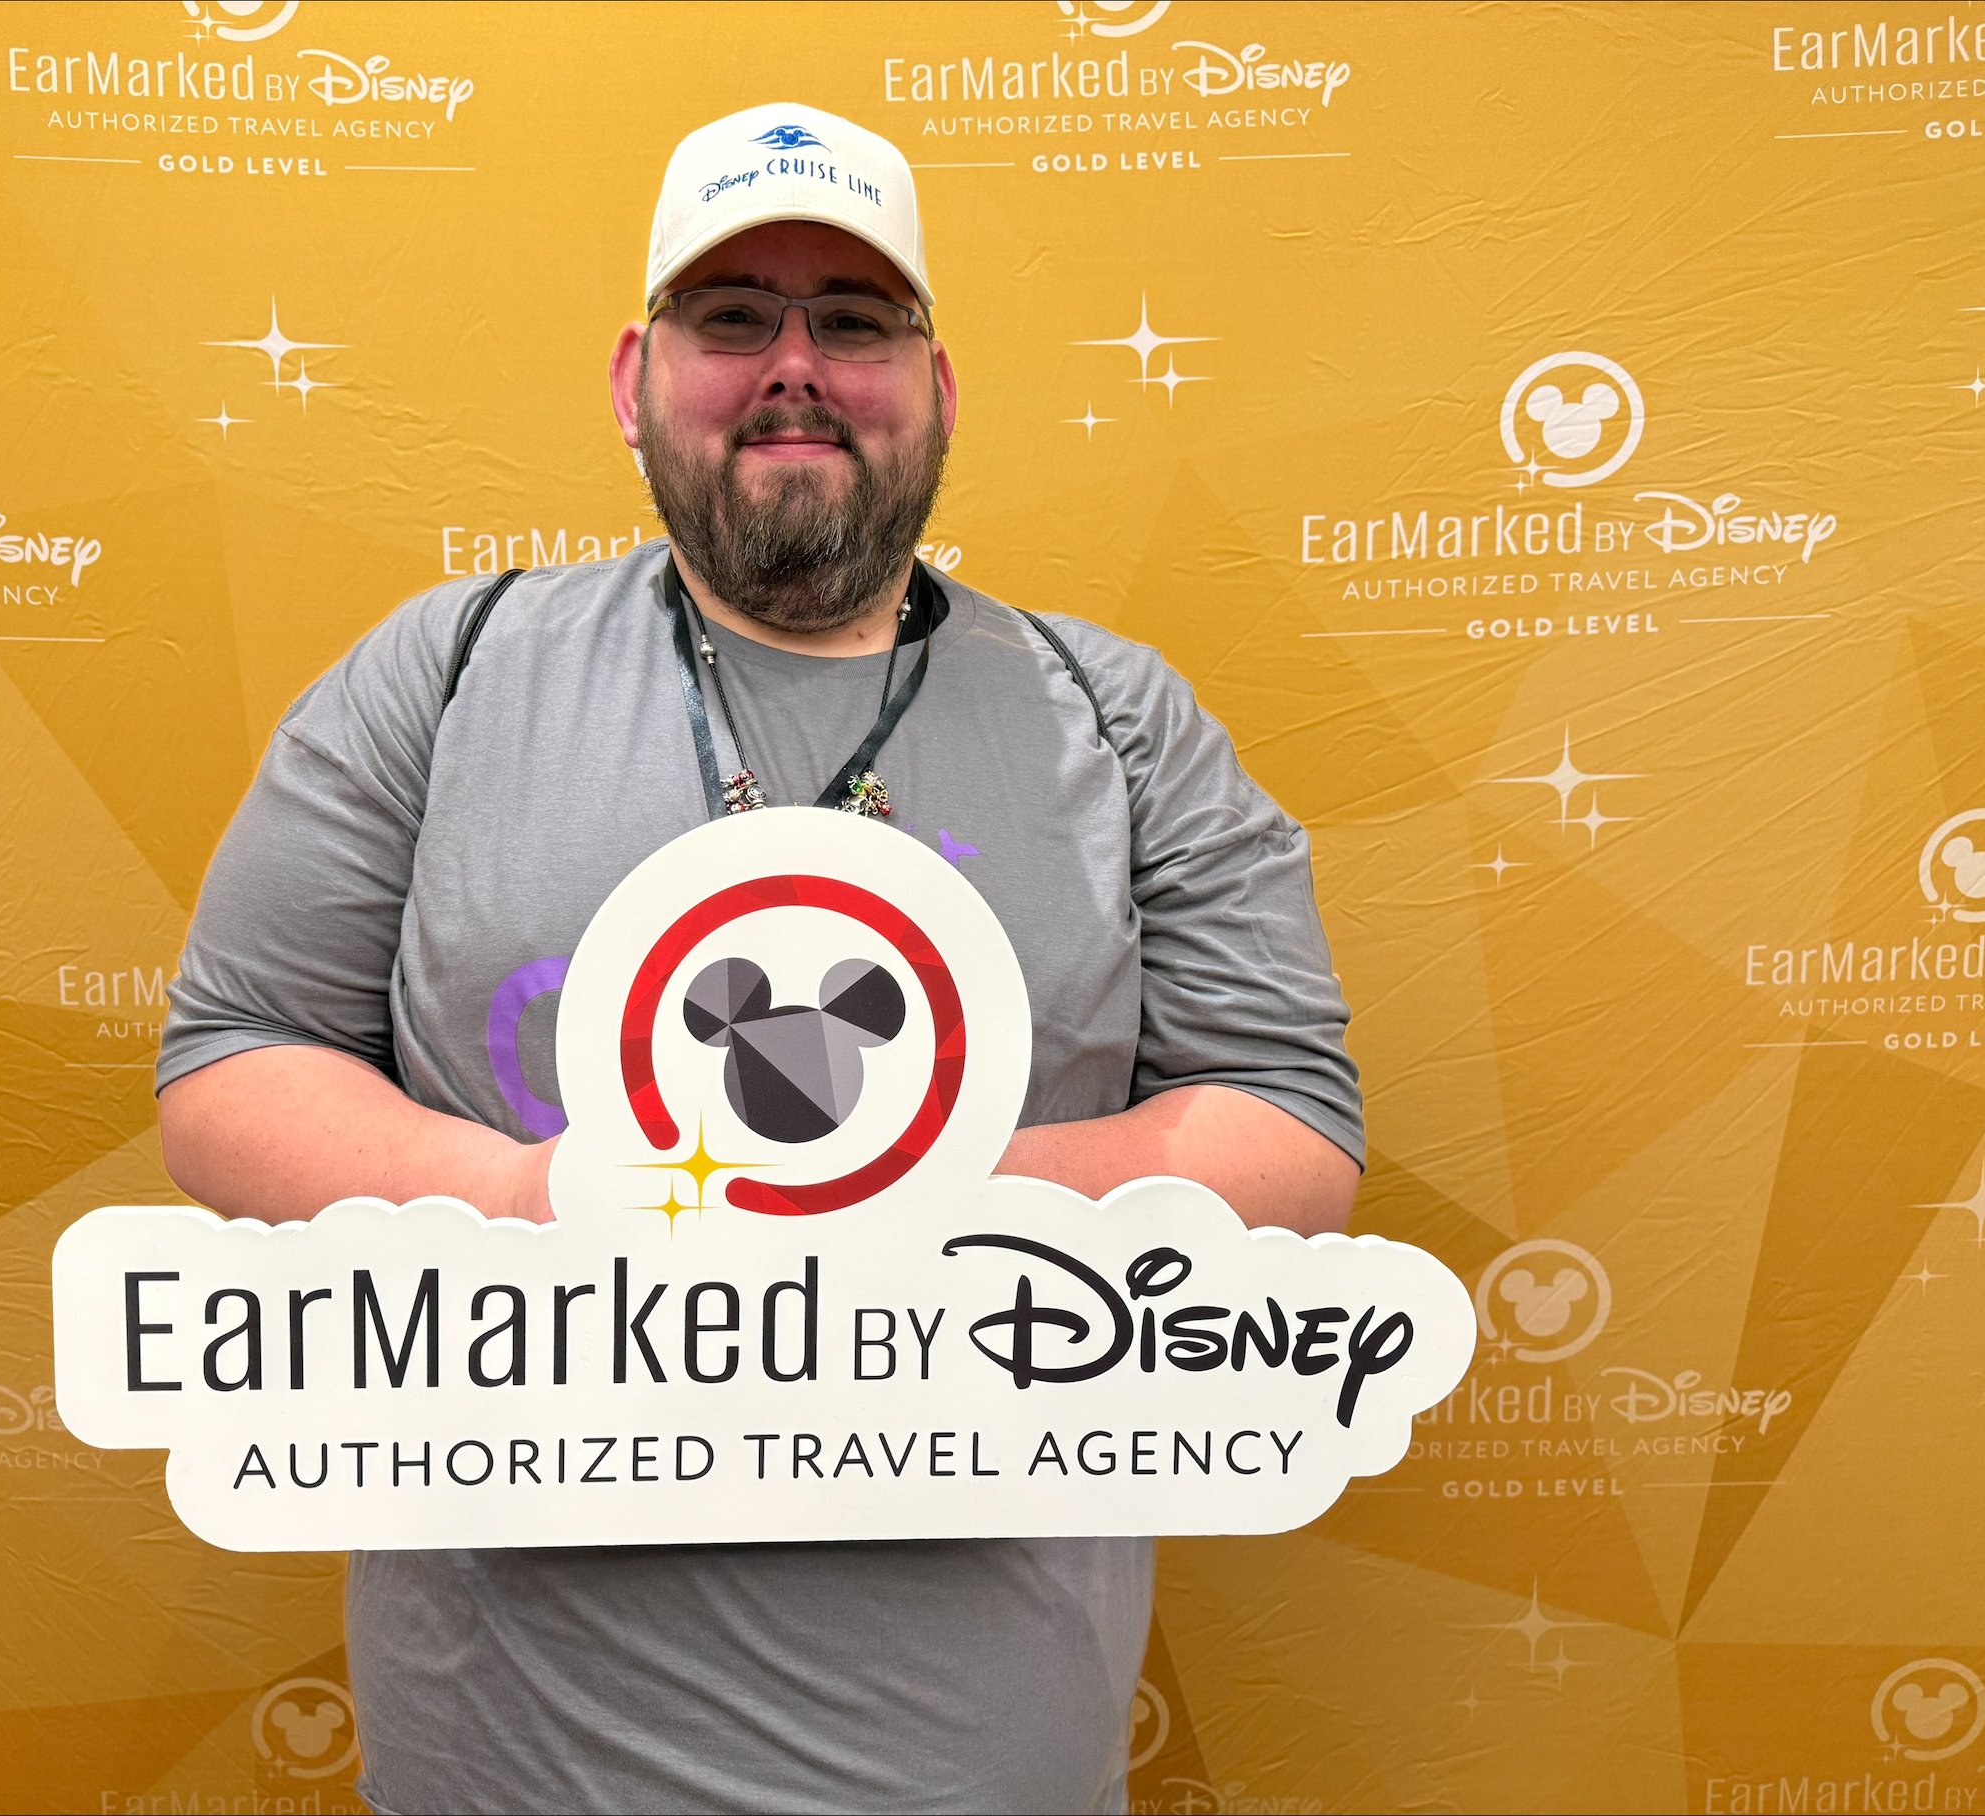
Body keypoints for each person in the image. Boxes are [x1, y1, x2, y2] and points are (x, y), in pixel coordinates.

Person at [156, 100, 1362, 1816]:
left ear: (935, 387)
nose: (794, 364)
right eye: (736, 318)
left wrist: (913, 1207)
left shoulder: (1119, 715)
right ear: (636, 375)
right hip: (507, 1764)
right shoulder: (446, 669)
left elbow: (1293, 1128)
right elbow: (230, 1066)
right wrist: (558, 1211)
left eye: (853, 320)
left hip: (987, 1763)